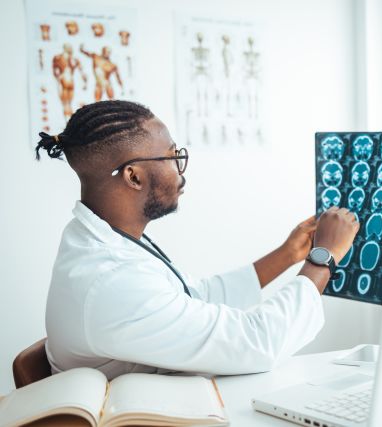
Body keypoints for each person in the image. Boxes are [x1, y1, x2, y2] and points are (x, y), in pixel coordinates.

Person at [36, 100, 359, 380]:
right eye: (171, 156)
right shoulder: (110, 279)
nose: (180, 169)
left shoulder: (102, 241)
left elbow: (195, 297)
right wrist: (323, 257)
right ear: (133, 176)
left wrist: (288, 254)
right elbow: (257, 344)